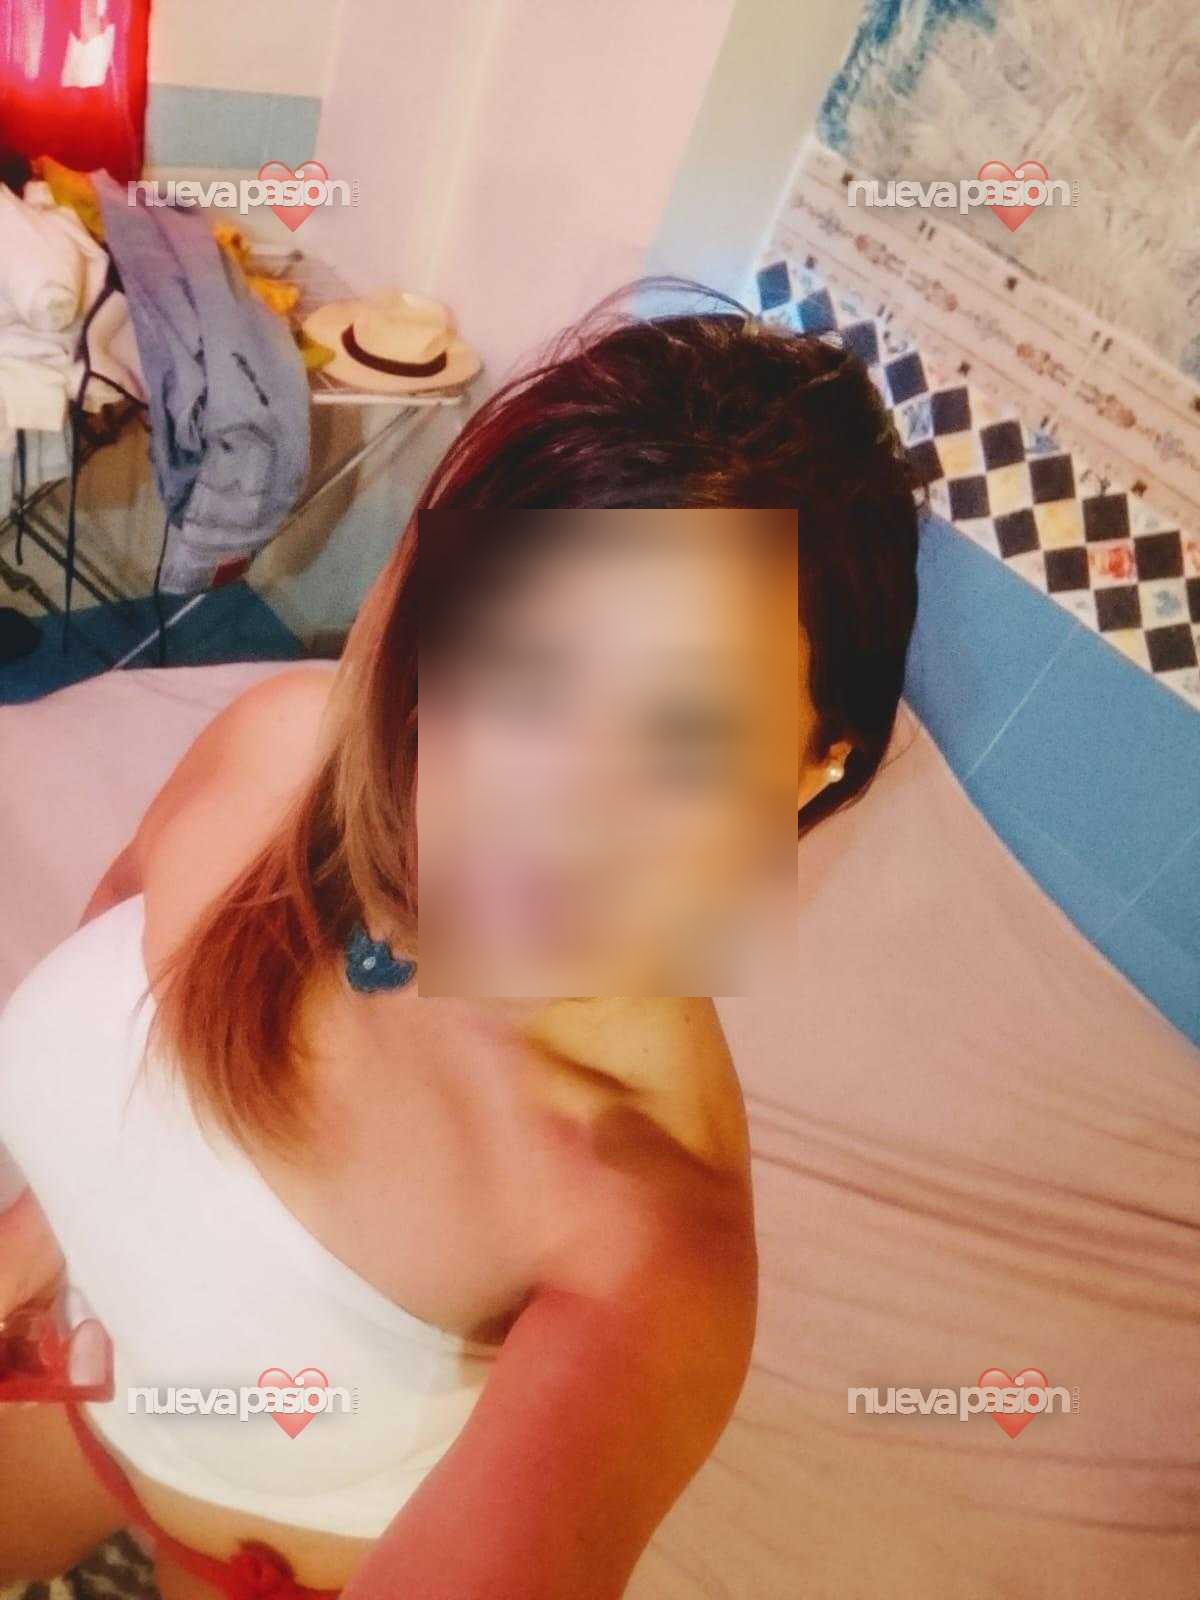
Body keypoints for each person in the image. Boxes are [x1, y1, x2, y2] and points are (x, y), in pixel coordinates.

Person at [0, 277, 922, 1600]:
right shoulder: (281, 750)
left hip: (248, 1553)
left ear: (811, 768)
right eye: (523, 668)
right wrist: (35, 1257)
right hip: (64, 1378)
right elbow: (131, 1061)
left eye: (685, 728)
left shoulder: (640, 1235)